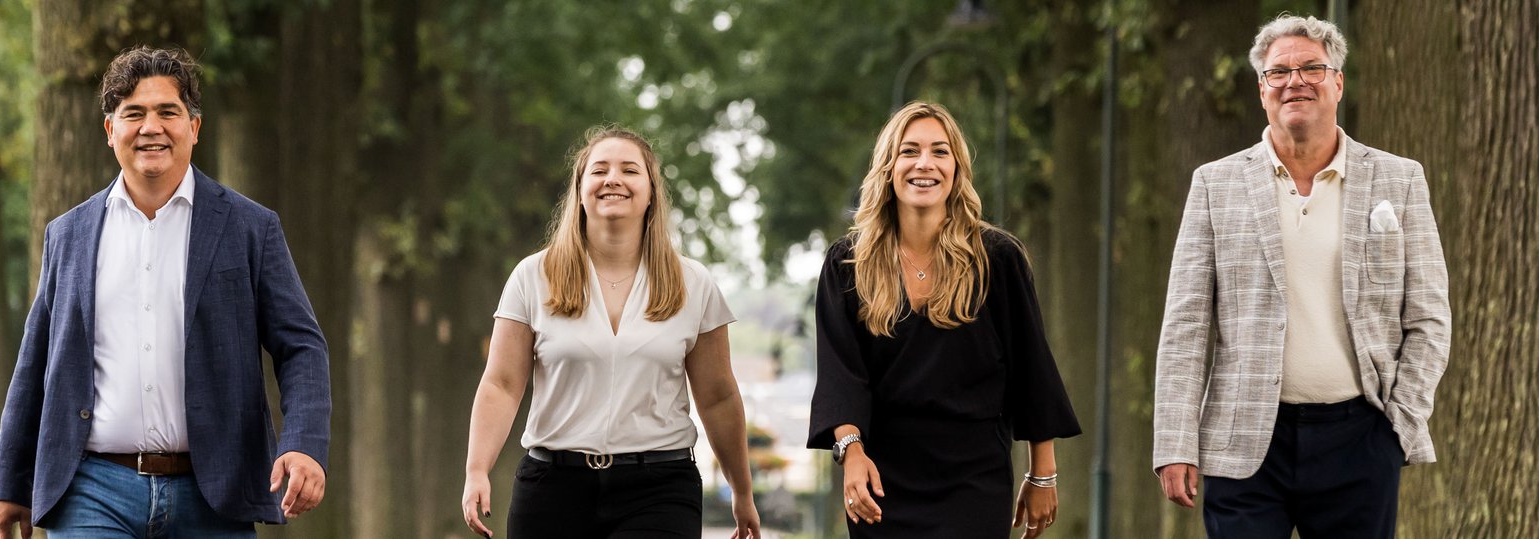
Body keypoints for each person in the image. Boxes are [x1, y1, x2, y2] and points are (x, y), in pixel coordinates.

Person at [0, 46, 332, 539]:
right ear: (110, 131)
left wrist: (305, 443)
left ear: (194, 127)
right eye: (134, 114)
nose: (152, 127)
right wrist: (8, 482)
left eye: (168, 112)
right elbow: (36, 362)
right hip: (92, 489)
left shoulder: (250, 229)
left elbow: (302, 347)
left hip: (214, 494)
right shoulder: (69, 235)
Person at [1150, 14, 1453, 538]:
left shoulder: (1400, 180)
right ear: (1262, 90)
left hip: (1360, 438)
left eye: (1312, 67)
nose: (1296, 81)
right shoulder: (1214, 185)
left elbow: (1428, 318)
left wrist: (1398, 425)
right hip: (1242, 444)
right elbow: (1186, 326)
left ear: (1337, 82)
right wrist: (1175, 442)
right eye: (1279, 72)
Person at [459, 126, 761, 539]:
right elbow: (502, 384)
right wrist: (477, 469)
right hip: (553, 488)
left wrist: (742, 492)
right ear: (580, 191)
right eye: (599, 170)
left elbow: (718, 396)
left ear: (651, 192)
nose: (613, 179)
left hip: (659, 489)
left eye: (629, 170)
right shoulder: (532, 276)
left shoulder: (694, 283)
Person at [809, 101, 1082, 538]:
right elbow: (842, 373)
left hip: (974, 477)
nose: (925, 164)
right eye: (909, 151)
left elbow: (1031, 369)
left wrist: (1042, 473)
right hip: (881, 479)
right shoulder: (848, 264)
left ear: (957, 168)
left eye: (940, 151)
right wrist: (851, 453)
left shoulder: (998, 259)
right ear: (888, 166)